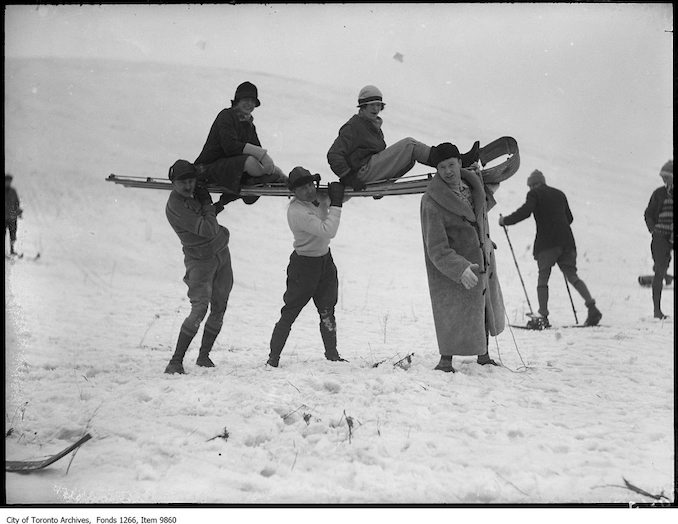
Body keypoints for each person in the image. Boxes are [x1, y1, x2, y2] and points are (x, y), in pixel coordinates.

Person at [420, 143, 505, 373]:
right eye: (442, 167)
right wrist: (459, 268)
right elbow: (436, 248)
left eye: (451, 164)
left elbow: (478, 216)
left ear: (459, 162)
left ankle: (483, 355)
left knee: (481, 308)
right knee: (452, 311)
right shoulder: (431, 201)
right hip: (452, 268)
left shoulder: (472, 186)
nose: (448, 171)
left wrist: (486, 241)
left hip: (481, 259)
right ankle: (445, 361)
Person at [499, 169, 602, 327]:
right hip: (567, 242)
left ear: (533, 185)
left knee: (543, 277)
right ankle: (592, 308)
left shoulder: (534, 194)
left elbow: (526, 211)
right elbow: (570, 218)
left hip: (547, 244)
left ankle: (543, 316)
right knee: (573, 276)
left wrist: (506, 220)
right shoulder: (559, 194)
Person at [267, 167, 348, 367]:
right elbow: (328, 230)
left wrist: (344, 191)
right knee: (290, 312)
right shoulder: (297, 211)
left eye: (311, 184)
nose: (309, 190)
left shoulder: (316, 198)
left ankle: (332, 354)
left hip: (324, 261)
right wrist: (336, 203)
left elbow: (336, 199)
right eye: (303, 188)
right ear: (293, 192)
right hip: (304, 265)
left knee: (328, 309)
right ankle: (273, 357)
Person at [327, 85, 479, 191]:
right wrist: (348, 178)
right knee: (409, 145)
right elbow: (333, 154)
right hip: (360, 174)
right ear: (362, 107)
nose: (375, 109)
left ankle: (380, 187)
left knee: (409, 158)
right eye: (371, 105)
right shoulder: (353, 126)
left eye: (378, 105)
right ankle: (456, 162)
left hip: (367, 171)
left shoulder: (372, 126)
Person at [164, 159, 235, 374]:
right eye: (182, 182)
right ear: (173, 183)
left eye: (191, 181)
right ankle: (175, 361)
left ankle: (204, 356)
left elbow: (206, 218)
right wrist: (207, 204)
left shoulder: (192, 195)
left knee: (220, 305)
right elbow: (207, 229)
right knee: (200, 308)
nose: (188, 186)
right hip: (200, 261)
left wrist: (219, 204)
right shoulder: (175, 206)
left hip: (221, 253)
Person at [194, 81, 287, 204]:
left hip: (231, 170)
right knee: (249, 162)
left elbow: (257, 149)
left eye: (252, 101)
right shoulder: (226, 116)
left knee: (263, 168)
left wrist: (275, 171)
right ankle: (258, 180)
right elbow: (230, 146)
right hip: (207, 168)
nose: (249, 104)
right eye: (246, 99)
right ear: (238, 100)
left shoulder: (248, 125)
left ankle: (285, 182)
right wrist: (262, 155)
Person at [643, 160, 673, 319]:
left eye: (667, 177)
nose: (664, 180)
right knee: (660, 270)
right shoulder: (659, 193)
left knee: (662, 268)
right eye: (663, 177)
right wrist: (653, 230)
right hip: (661, 236)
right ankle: (657, 311)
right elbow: (648, 213)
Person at [5, 174, 23, 255]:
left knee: (13, 234)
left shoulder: (13, 191)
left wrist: (18, 212)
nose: (8, 183)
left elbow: (16, 202)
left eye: (9, 181)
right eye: (7, 181)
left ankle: (12, 250)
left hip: (12, 217)